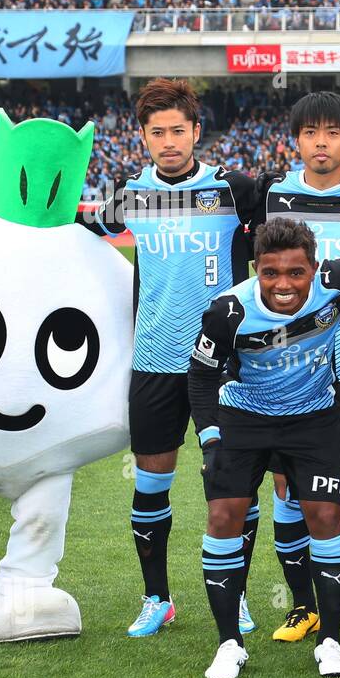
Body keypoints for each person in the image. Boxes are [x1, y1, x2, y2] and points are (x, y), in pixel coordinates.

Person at [83, 78, 264, 639]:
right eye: (156, 132)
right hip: (156, 359)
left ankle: (234, 600)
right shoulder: (128, 192)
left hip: (227, 363)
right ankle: (156, 597)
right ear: (142, 136)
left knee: (233, 486)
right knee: (151, 483)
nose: (168, 141)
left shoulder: (233, 189)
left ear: (196, 133)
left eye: (177, 131)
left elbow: (290, 215)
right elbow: (82, 232)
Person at [187, 217, 340, 678]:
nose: (283, 284)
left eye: (295, 273)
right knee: (224, 515)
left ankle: (331, 641)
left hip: (313, 417)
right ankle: (229, 643)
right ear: (256, 269)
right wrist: (210, 439)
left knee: (327, 516)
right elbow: (203, 375)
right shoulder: (228, 311)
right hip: (245, 418)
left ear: (314, 268)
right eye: (270, 273)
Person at [262, 91, 340, 644]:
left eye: (333, 133)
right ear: (296, 141)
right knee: (288, 486)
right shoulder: (273, 194)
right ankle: (301, 603)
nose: (322, 142)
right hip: (287, 365)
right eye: (311, 132)